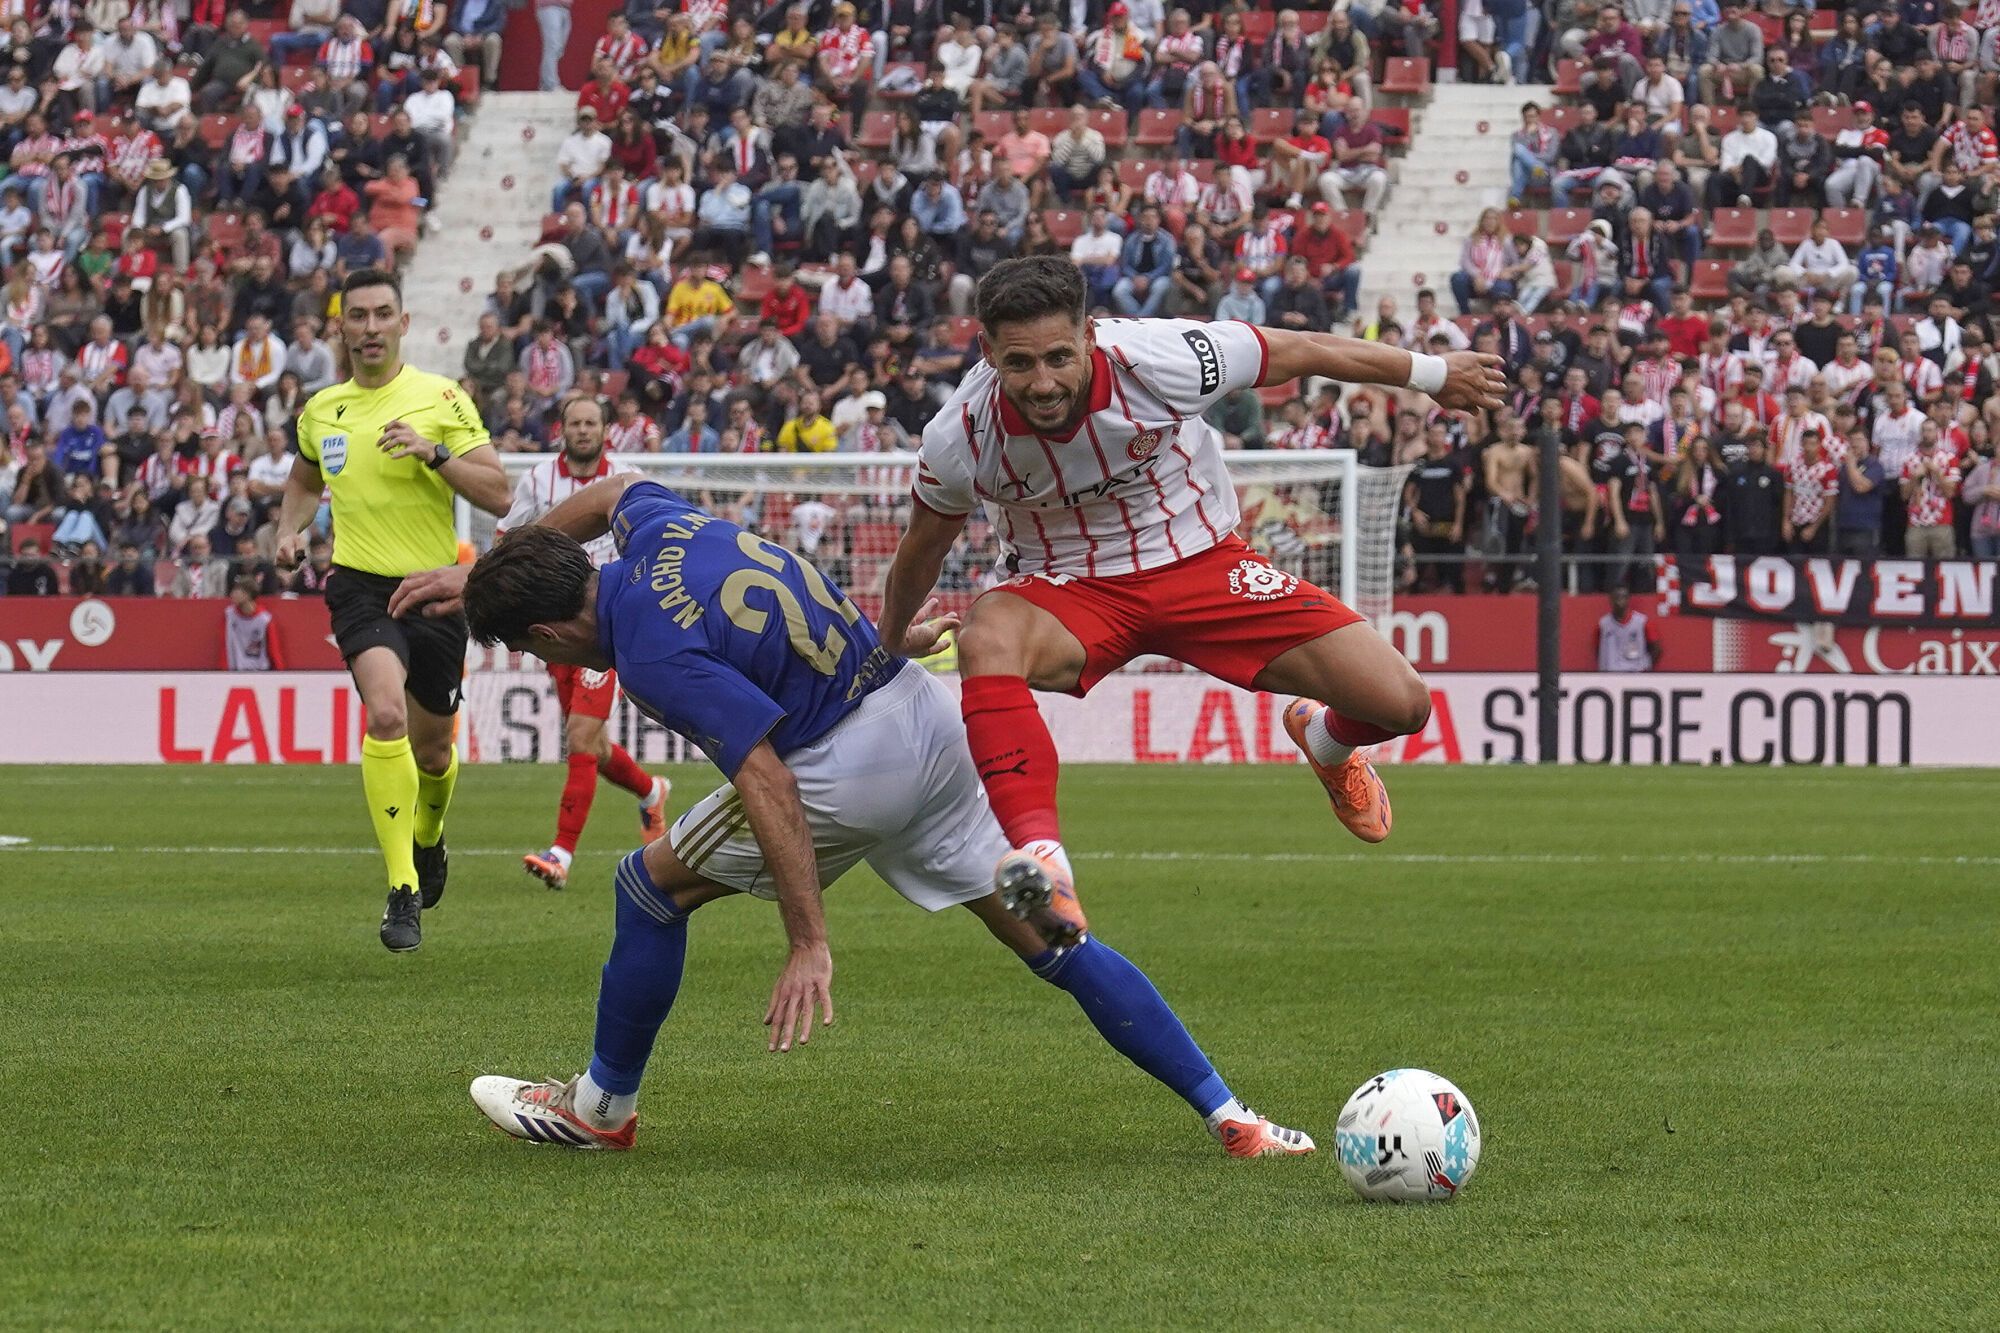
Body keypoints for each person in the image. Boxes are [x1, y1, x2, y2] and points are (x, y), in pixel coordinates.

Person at [395, 475, 1317, 1159]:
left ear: (548, 636)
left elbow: (765, 777)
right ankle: (1232, 1114)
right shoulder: (659, 527)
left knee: (646, 886)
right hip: (921, 711)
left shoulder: (646, 652)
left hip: (843, 764)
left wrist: (810, 936)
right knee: (1053, 940)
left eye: (522, 642)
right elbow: (608, 491)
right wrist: (483, 569)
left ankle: (600, 1110)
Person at [875, 257, 1506, 944]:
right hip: (1069, 589)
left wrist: (1434, 374)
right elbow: (922, 548)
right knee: (985, 635)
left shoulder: (1159, 358)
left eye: (1060, 356)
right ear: (986, 351)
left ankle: (1325, 740)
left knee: (1401, 703)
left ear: (1090, 334)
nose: (1045, 382)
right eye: (1020, 363)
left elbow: (1301, 349)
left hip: (1203, 564)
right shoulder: (959, 435)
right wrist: (891, 637)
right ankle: (1045, 863)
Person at [272, 269, 512, 953]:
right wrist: (289, 533)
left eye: (383, 314)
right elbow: (302, 482)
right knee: (384, 714)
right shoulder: (323, 409)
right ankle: (403, 885)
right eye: (358, 316)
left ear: (404, 324)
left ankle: (430, 839)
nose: (370, 327)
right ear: (341, 326)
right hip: (359, 588)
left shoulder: (442, 397)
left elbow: (498, 493)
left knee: (435, 751)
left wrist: (433, 452)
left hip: (435, 589)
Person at [497, 396, 671, 888]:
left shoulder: (626, 475)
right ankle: (650, 791)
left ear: (605, 429)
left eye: (591, 422)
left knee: (578, 737)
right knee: (591, 744)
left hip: (610, 620)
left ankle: (561, 854)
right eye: (575, 423)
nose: (583, 430)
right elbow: (508, 538)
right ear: (562, 429)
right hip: (554, 629)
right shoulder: (537, 480)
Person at [223, 576, 285, 670]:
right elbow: (225, 646)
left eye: (236, 591)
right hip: (236, 672)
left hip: (260, 671)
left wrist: (280, 672)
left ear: (247, 595)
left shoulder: (264, 619)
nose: (231, 595)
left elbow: (273, 649)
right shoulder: (230, 616)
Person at [1596, 587, 1660, 672]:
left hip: (1636, 673)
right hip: (1610, 675)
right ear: (1610, 600)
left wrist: (1646, 665)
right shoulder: (1603, 624)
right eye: (1616, 597)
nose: (1619, 601)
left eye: (1623, 597)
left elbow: (1657, 648)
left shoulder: (1642, 622)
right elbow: (1598, 649)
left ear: (1628, 599)